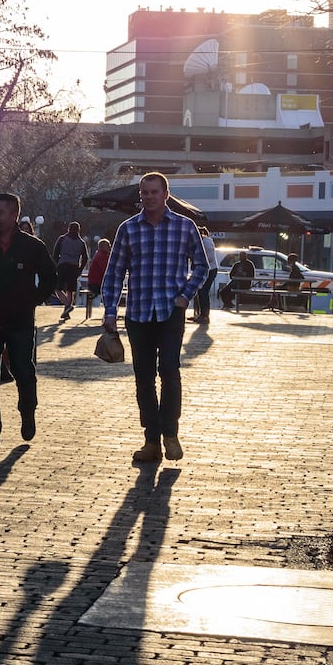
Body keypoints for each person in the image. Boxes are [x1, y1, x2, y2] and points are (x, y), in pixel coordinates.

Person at [100, 171, 212, 463]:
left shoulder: (184, 227)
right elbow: (115, 271)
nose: (149, 197)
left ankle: (170, 433)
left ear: (165, 195)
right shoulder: (128, 229)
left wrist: (184, 296)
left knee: (170, 372)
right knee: (143, 378)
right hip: (138, 313)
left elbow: (202, 266)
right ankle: (151, 440)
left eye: (154, 192)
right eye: (145, 192)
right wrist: (110, 310)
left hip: (170, 312)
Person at [0, 192, 57, 451]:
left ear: (14, 215)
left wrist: (32, 299)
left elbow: (50, 277)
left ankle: (27, 412)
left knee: (23, 372)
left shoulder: (32, 247)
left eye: (0, 213)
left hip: (20, 322)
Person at [51, 221, 88, 321]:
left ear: (68, 228)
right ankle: (66, 312)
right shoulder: (81, 243)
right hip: (74, 267)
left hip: (63, 265)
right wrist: (80, 269)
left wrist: (57, 263)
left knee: (57, 288)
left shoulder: (62, 239)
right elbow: (85, 257)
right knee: (70, 290)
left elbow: (55, 253)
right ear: (79, 230)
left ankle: (67, 305)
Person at [192, 225, 217, 324]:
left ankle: (205, 316)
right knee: (199, 292)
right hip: (202, 269)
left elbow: (209, 258)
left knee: (203, 292)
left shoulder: (207, 242)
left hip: (210, 269)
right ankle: (199, 314)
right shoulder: (200, 241)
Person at [84, 238, 112, 322]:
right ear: (103, 247)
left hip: (95, 283)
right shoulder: (101, 256)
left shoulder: (99, 255)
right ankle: (109, 315)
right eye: (108, 246)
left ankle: (108, 314)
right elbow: (106, 270)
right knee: (112, 293)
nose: (110, 247)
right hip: (96, 284)